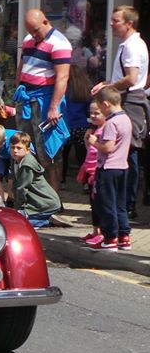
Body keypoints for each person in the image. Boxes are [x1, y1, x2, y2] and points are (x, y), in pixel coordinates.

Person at [91, 5, 149, 217]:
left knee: (128, 152)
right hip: (129, 99)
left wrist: (108, 88)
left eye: (116, 21)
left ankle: (126, 205)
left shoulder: (132, 46)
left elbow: (132, 79)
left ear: (129, 23)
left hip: (130, 102)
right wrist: (108, 84)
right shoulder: (130, 44)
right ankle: (123, 203)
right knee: (126, 151)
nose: (111, 24)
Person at [16, 8, 71, 192]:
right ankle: (29, 193)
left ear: (46, 22)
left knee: (48, 151)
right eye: (30, 31)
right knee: (23, 146)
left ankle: (52, 198)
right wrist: (17, 90)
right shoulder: (28, 40)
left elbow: (62, 77)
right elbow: (22, 66)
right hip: (26, 99)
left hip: (45, 100)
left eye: (36, 30)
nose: (33, 35)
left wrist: (54, 107)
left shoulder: (59, 43)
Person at [86, 87, 133, 250]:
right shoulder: (126, 119)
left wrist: (94, 142)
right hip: (122, 167)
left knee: (107, 204)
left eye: (100, 107)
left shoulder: (111, 123)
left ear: (106, 104)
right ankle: (124, 236)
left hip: (108, 168)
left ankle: (110, 238)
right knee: (120, 204)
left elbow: (108, 148)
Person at [11, 132, 64, 228]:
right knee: (18, 219)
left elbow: (22, 188)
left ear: (27, 150)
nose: (15, 151)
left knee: (20, 222)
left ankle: (48, 222)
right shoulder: (15, 161)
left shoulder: (27, 165)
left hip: (46, 203)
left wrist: (18, 208)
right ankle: (46, 218)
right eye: (12, 147)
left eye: (19, 148)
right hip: (39, 202)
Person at [79, 102, 105, 246]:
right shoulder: (95, 130)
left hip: (97, 172)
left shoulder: (105, 130)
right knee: (93, 204)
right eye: (91, 113)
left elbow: (103, 151)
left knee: (99, 204)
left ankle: (102, 233)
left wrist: (94, 142)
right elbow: (90, 151)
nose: (93, 116)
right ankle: (95, 231)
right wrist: (87, 140)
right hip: (89, 171)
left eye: (97, 113)